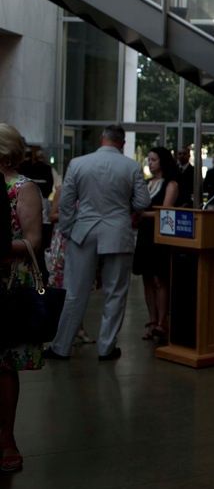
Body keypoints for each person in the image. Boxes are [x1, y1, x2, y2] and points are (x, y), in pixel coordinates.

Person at [43, 124, 149, 361]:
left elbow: (67, 202)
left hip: (83, 232)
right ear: (122, 143)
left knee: (74, 292)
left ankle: (61, 347)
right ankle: (106, 347)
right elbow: (142, 201)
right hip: (118, 233)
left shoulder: (79, 164)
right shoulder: (131, 166)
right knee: (115, 293)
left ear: (102, 139)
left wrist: (69, 229)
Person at [0, 123, 44, 472]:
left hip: (8, 284)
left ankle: (6, 439)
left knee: (3, 365)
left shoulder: (22, 188)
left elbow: (32, 241)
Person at [132, 147, 178, 341]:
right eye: (148, 160)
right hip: (144, 234)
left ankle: (162, 321)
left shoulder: (171, 184)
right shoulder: (146, 184)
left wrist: (142, 214)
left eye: (153, 160)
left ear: (163, 161)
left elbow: (165, 212)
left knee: (159, 279)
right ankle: (152, 321)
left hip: (160, 235)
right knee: (147, 279)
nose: (150, 163)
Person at [45, 185, 96, 345]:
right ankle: (61, 330)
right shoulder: (62, 190)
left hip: (81, 238)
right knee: (60, 285)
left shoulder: (88, 191)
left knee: (79, 285)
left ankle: (77, 328)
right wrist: (72, 215)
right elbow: (52, 216)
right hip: (63, 240)